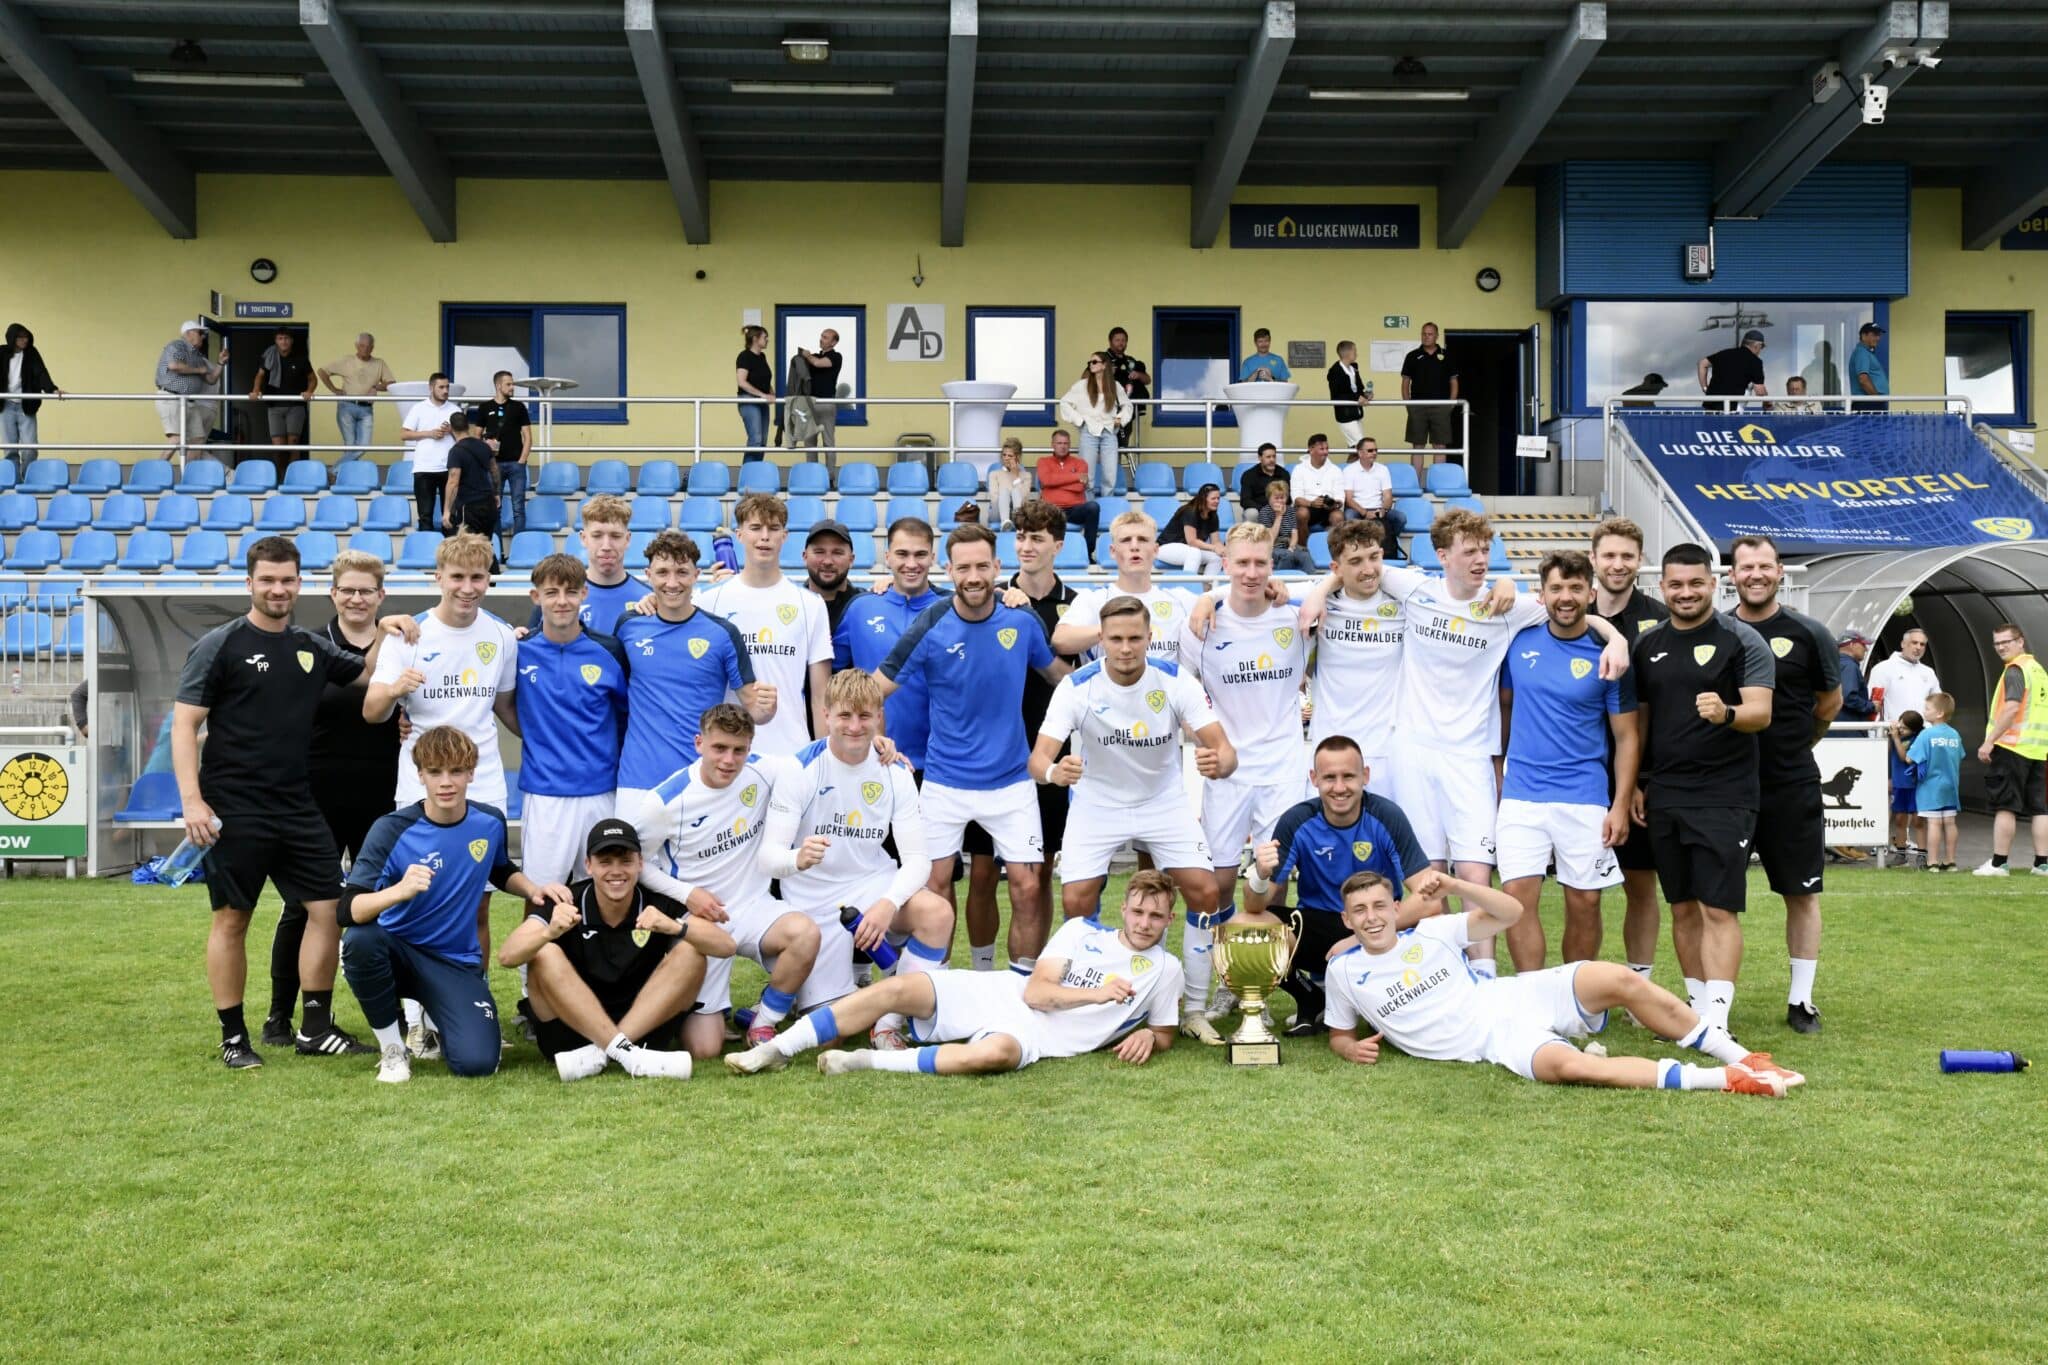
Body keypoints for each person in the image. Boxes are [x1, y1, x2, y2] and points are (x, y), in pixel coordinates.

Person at [1302, 509, 1621, 975]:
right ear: (1442, 555)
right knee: (1427, 874)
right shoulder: (1414, 588)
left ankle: (1485, 975)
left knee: (1474, 871)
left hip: (1471, 755)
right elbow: (1351, 567)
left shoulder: (1507, 605)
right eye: (1469, 551)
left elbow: (1569, 611)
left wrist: (1615, 639)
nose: (1479, 559)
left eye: (1485, 550)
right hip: (1412, 751)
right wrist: (1317, 590)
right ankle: (1445, 971)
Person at [173, 536, 403, 1068]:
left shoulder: (309, 646)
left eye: (287, 580)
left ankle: (315, 1027)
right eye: (268, 580)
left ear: (300, 584)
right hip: (235, 807)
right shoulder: (221, 644)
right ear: (249, 583)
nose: (278, 589)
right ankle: (235, 1037)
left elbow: (366, 672)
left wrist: (394, 633)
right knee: (233, 920)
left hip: (298, 804)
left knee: (329, 910)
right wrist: (193, 802)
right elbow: (185, 724)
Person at [1323, 871, 1804, 1097]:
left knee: (1617, 977)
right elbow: (1340, 1034)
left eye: (1380, 906)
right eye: (1360, 911)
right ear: (1347, 919)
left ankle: (1742, 1057)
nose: (1372, 918)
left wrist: (1456, 887)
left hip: (1516, 993)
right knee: (1571, 1068)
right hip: (1495, 1039)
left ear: (1395, 907)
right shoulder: (1343, 972)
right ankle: (1727, 1080)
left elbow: (1510, 913)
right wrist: (1349, 1050)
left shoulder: (1431, 931)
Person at [725, 872, 1184, 1078]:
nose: (1144, 923)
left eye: (1156, 917)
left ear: (1170, 920)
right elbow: (1038, 992)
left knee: (994, 1055)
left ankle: (865, 1062)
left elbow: (1163, 1031)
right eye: (1138, 911)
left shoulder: (1166, 969)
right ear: (1122, 908)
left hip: (1038, 1040)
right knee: (897, 989)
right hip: (1003, 995)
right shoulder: (1080, 929)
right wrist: (1097, 994)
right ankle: (775, 1050)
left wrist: (1152, 1038)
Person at [878, 525, 1070, 972]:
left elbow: (1058, 675)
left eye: (982, 565)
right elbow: (874, 688)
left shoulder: (1022, 620)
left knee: (1026, 884)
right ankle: (936, 987)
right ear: (950, 570)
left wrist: (1115, 681)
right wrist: (874, 734)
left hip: (1011, 780)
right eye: (963, 567)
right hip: (944, 783)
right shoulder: (931, 623)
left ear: (997, 568)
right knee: (933, 887)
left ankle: (1021, 989)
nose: (973, 575)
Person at [339, 726, 574, 1083]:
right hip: (395, 952)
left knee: (477, 1063)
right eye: (435, 772)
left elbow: (499, 868)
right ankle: (393, 1050)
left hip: (454, 961)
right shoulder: (391, 829)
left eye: (455, 771)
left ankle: (439, 1013)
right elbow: (347, 909)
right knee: (360, 940)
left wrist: (534, 891)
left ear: (471, 773)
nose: (446, 782)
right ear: (420, 776)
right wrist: (399, 891)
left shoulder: (489, 821)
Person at [363, 532, 521, 1053]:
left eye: (478, 577)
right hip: (420, 783)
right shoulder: (408, 634)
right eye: (458, 577)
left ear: (488, 579)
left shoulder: (501, 636)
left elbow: (504, 707)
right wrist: (394, 691)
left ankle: (467, 1000)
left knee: (475, 905)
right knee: (416, 897)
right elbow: (373, 711)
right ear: (439, 578)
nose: (468, 588)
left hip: (484, 784)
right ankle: (415, 1019)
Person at [759, 670, 956, 1044]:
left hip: (871, 885)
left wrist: (887, 904)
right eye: (845, 716)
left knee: (937, 912)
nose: (854, 726)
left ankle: (889, 1024)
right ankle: (812, 989)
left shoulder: (894, 771)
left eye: (865, 716)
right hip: (813, 903)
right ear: (826, 714)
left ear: (879, 717)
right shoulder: (799, 769)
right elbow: (769, 857)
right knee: (834, 1034)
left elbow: (917, 859)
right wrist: (797, 859)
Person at [1628, 543, 1775, 1031]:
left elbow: (1761, 712)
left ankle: (1718, 1015)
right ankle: (1696, 1009)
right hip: (1667, 793)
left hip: (1725, 795)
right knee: (1683, 906)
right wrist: (1637, 784)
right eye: (1676, 584)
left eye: (1696, 583)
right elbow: (1641, 727)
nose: (1686, 592)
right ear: (1662, 587)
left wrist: (1727, 713)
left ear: (1714, 584)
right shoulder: (1648, 646)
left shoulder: (1742, 640)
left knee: (1718, 906)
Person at [264, 549, 404, 1049]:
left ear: (381, 595)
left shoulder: (401, 645)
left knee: (380, 905)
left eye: (367, 590)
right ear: (332, 594)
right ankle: (282, 1017)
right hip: (316, 794)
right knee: (304, 908)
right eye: (347, 589)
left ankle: (394, 1013)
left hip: (381, 795)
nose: (357, 598)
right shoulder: (309, 645)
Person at [1030, 594, 1233, 935]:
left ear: (1150, 638)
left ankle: (1196, 991)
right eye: (1116, 639)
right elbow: (1037, 761)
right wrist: (1054, 772)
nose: (1126, 648)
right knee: (1076, 900)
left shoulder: (1175, 680)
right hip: (1097, 804)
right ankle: (1088, 982)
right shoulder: (1076, 686)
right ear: (1101, 639)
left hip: (1162, 802)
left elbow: (1226, 751)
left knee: (1206, 891)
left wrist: (1219, 764)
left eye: (1135, 638)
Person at [628, 704, 823, 1055]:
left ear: (750, 748)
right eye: (719, 748)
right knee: (704, 1049)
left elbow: (821, 750)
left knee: (805, 934)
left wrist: (880, 746)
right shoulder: (664, 802)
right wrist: (687, 894)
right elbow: (635, 864)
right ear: (699, 743)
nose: (729, 760)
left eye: (739, 750)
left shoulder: (763, 770)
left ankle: (762, 1020)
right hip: (701, 922)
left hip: (752, 908)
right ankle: (691, 1007)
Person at [1177, 523, 1309, 1031]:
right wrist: (1203, 745)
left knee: (1270, 880)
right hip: (1227, 770)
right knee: (1218, 885)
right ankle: (1216, 982)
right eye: (1243, 563)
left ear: (1272, 567)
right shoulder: (1202, 626)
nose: (1252, 572)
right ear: (1225, 563)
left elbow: (1343, 582)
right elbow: (1184, 697)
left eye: (1261, 563)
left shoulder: (1295, 616)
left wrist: (1298, 591)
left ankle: (1251, 985)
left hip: (1282, 768)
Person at [498, 818, 734, 1081]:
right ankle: (626, 1054)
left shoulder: (656, 903)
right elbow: (507, 956)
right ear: (588, 865)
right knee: (544, 952)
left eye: (625, 861)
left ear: (640, 864)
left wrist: (673, 926)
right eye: (605, 862)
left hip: (642, 1027)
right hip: (571, 1032)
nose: (616, 871)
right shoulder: (567, 901)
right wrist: (549, 933)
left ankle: (606, 1052)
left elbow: (726, 946)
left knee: (691, 951)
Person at [1496, 551, 1640, 973]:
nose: (1566, 597)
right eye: (1556, 588)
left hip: (1584, 795)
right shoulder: (1518, 642)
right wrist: (1498, 772)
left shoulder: (1610, 655)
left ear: (1591, 594)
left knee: (1585, 901)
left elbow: (1627, 735)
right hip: (1522, 794)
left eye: (1576, 588)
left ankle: (1574, 996)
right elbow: (1504, 711)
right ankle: (1533, 994)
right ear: (1541, 595)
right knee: (1517, 897)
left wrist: (1619, 804)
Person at [961, 499, 1082, 973]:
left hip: (1050, 750)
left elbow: (1071, 675)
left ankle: (1027, 971)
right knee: (984, 872)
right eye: (1021, 537)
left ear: (1058, 544)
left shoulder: (1077, 606)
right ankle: (983, 972)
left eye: (1037, 537)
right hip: (992, 753)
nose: (1027, 546)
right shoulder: (992, 594)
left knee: (1039, 872)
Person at [1729, 534, 1842, 1034]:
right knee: (1715, 899)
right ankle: (1713, 1004)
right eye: (1745, 566)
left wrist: (1796, 746)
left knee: (1801, 893)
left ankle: (1802, 1002)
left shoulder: (1808, 632)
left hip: (1790, 784)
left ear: (1780, 572)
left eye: (1764, 566)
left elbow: (1829, 703)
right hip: (1725, 786)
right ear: (1730, 575)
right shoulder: (1717, 630)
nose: (1755, 574)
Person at [1244, 736, 1430, 1035]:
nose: (1340, 787)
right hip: (1321, 925)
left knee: (1431, 919)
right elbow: (1256, 908)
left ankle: (1375, 994)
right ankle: (1311, 997)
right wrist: (1260, 875)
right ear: (1314, 779)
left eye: (1349, 776)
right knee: (1248, 926)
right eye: (1329, 777)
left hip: (1376, 924)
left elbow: (1431, 898)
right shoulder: (1298, 820)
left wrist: (1360, 937)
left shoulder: (1386, 816)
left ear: (1365, 776)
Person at [612, 530, 764, 815]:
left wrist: (768, 707)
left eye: (682, 572)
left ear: (696, 575)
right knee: (632, 861)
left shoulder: (723, 633)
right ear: (648, 575)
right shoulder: (629, 625)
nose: (672, 582)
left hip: (699, 781)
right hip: (637, 783)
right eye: (662, 572)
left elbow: (754, 707)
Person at [1588, 518, 1679, 966]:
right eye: (1609, 555)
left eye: (1627, 556)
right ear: (1593, 560)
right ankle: (1577, 988)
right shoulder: (1567, 612)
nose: (1618, 564)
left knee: (1640, 885)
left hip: (1638, 777)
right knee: (1580, 893)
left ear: (1639, 561)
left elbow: (1661, 709)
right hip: (1576, 775)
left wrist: (1640, 779)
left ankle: (1638, 985)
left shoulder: (1660, 619)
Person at [514, 554, 629, 888]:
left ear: (584, 594)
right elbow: (500, 702)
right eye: (551, 592)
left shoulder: (611, 651)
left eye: (571, 591)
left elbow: (625, 716)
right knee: (540, 897)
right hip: (545, 792)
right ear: (536, 597)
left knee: (604, 893)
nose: (561, 601)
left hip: (601, 791)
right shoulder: (518, 650)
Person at [698, 493, 833, 754]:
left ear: (785, 535)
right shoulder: (708, 600)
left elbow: (820, 698)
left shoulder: (811, 605)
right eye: (755, 528)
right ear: (739, 535)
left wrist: (822, 759)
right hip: (729, 755)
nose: (765, 536)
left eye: (773, 528)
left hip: (791, 752)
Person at [833, 517, 947, 774]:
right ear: (887, 557)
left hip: (940, 765)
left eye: (920, 554)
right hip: (872, 758)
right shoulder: (861, 608)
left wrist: (1008, 593)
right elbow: (833, 678)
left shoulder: (953, 610)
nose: (911, 564)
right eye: (902, 554)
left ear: (932, 556)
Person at [1303, 520, 1405, 778]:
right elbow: (1263, 590)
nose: (1368, 569)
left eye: (1374, 557)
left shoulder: (1406, 603)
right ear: (1336, 568)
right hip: (1332, 745)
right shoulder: (1316, 602)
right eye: (1356, 561)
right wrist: (1208, 597)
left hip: (1389, 748)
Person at [1052, 511, 1196, 664]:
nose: (1134, 546)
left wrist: (1210, 598)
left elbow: (1223, 607)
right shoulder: (1093, 599)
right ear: (1113, 551)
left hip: (1166, 687)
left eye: (1142, 539)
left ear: (1155, 551)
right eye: (1126, 540)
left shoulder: (1181, 599)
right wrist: (1114, 629)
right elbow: (1060, 641)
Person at [1973, 622, 2048, 876]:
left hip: (2013, 747)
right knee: (2040, 808)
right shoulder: (2038, 670)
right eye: (1997, 643)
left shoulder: (2015, 670)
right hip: (2038, 749)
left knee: (2005, 806)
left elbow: (2012, 708)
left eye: (2006, 641)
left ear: (2020, 641)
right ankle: (2042, 864)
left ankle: (1998, 863)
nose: (2001, 647)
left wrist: (1990, 740)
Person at [521, 494, 647, 637]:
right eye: (597, 535)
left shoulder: (646, 598)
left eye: (615, 536)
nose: (606, 546)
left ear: (628, 539)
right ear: (583, 538)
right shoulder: (558, 597)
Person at [1058, 352, 1134, 499]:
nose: (1091, 365)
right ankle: (1089, 507)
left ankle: (1107, 507)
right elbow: (1064, 402)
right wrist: (1080, 421)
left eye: (1094, 362)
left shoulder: (1115, 386)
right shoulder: (1082, 385)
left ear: (1104, 365)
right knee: (1087, 474)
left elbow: (1127, 406)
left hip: (1109, 431)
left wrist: (1120, 419)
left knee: (1110, 475)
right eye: (1090, 362)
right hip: (1089, 431)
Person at [473, 370, 531, 545]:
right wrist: (485, 450)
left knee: (518, 508)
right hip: (493, 465)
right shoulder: (484, 408)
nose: (512, 387)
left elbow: (527, 436)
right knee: (494, 508)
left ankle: (519, 549)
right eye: (508, 384)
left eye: (512, 383)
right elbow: (476, 436)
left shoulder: (519, 407)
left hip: (516, 464)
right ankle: (497, 550)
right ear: (498, 385)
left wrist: (522, 461)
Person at [315, 331, 392, 463]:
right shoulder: (347, 360)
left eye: (368, 346)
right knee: (350, 445)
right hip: (347, 406)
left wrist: (375, 387)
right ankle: (345, 477)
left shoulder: (379, 363)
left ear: (373, 347)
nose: (365, 349)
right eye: (362, 346)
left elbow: (391, 384)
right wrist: (334, 390)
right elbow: (322, 371)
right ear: (356, 346)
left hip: (367, 409)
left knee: (363, 446)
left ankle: (334, 472)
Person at [1908, 692, 1964, 873]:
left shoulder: (1926, 735)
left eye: (1928, 708)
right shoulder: (1955, 734)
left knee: (1933, 823)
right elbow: (1960, 756)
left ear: (1939, 713)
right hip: (1951, 785)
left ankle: (1932, 862)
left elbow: (1910, 758)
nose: (1924, 711)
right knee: (1950, 822)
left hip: (1930, 787)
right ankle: (1950, 861)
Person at [249, 327, 316, 473]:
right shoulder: (269, 355)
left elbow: (312, 379)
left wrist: (309, 392)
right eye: (280, 338)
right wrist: (255, 390)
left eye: (286, 338)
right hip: (274, 406)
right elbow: (260, 375)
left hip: (295, 406)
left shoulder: (301, 358)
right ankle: (281, 477)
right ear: (276, 341)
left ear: (291, 341)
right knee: (278, 447)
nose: (283, 341)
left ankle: (294, 477)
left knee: (293, 443)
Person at [400, 372, 461, 532]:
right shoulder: (419, 408)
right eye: (441, 387)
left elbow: (464, 438)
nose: (445, 391)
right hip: (424, 468)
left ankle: (451, 556)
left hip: (450, 469)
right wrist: (429, 433)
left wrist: (452, 431)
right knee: (425, 516)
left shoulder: (455, 409)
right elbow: (404, 434)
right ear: (431, 388)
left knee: (450, 517)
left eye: (447, 387)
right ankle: (425, 554)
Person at [3, 322, 62, 479]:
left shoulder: (31, 353)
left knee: (30, 448)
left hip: (26, 404)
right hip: (5, 406)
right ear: (12, 338)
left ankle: (27, 478)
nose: (25, 340)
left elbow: (41, 373)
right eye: (21, 337)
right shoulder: (1, 352)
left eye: (26, 337)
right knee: (10, 449)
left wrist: (52, 389)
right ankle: (14, 482)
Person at [155, 320, 220, 460]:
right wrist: (198, 370)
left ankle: (189, 478)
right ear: (189, 333)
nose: (203, 337)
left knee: (198, 440)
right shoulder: (178, 345)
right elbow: (174, 365)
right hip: (172, 397)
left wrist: (221, 363)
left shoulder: (196, 355)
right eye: (200, 333)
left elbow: (211, 379)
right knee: (176, 439)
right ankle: (155, 474)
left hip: (189, 401)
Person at [1035, 428, 1101, 559]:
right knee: (1038, 513)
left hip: (1074, 509)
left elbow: (1079, 487)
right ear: (1052, 445)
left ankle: (1087, 553)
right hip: (1052, 509)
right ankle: (1044, 556)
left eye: (1066, 443)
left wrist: (1056, 483)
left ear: (1069, 445)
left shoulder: (1080, 463)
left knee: (1093, 507)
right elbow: (1047, 480)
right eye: (1059, 443)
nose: (1063, 446)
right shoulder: (1043, 461)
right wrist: (1075, 476)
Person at [1399, 323, 1459, 464]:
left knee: (1440, 446)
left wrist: (1450, 404)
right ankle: (1415, 485)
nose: (1426, 337)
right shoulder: (1412, 356)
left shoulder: (1447, 356)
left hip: (1441, 407)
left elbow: (1454, 382)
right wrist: (1409, 405)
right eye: (1424, 334)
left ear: (1437, 336)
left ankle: (1438, 484)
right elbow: (1405, 382)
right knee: (1417, 446)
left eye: (1430, 334)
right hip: (1417, 407)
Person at [440, 413, 499, 553]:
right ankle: (493, 573)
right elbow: (495, 471)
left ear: (452, 429)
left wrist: (447, 510)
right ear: (468, 425)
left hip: (470, 506)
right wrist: (496, 493)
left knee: (470, 550)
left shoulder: (456, 451)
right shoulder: (484, 446)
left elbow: (453, 481)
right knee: (486, 547)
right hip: (488, 503)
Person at [1341, 436, 1405, 547]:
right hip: (1357, 509)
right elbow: (1349, 499)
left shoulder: (1383, 469)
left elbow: (1388, 496)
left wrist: (1383, 510)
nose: (1374, 453)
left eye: (1376, 450)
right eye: (1370, 450)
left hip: (1378, 508)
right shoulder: (1349, 470)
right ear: (1360, 453)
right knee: (1349, 516)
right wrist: (1364, 513)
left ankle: (1389, 541)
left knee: (1400, 518)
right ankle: (1355, 546)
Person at [1868, 627, 1940, 726]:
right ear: (1903, 644)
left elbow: (1938, 702)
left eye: (1922, 644)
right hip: (1895, 730)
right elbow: (1874, 703)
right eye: (1914, 643)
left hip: (1923, 732)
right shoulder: (1883, 668)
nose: (1918, 647)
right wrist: (1875, 734)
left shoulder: (1928, 672)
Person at [1156, 482, 1226, 576]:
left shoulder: (1213, 515)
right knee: (1194, 552)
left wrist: (1222, 549)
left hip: (1188, 550)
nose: (1217, 501)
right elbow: (1192, 541)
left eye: (1218, 498)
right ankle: (1188, 586)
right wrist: (1214, 548)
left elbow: (1215, 541)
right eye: (1213, 498)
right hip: (1165, 547)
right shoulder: (1190, 511)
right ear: (1203, 499)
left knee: (1217, 558)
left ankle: (1207, 586)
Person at [801, 519, 859, 635]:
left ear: (851, 560)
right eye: (819, 552)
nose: (827, 561)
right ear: (805, 557)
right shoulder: (790, 605)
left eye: (837, 553)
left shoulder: (864, 606)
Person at [793, 328, 842, 455]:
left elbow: (818, 363)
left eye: (825, 337)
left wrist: (807, 355)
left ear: (834, 342)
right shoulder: (814, 356)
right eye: (821, 336)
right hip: (809, 403)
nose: (821, 339)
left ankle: (830, 474)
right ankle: (811, 473)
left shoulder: (836, 357)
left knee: (828, 442)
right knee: (809, 443)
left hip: (826, 403)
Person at [734, 324, 776, 463]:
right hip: (749, 400)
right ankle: (747, 477)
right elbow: (742, 382)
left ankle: (756, 474)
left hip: (762, 402)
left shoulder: (762, 357)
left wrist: (771, 392)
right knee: (755, 439)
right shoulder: (744, 356)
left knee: (762, 441)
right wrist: (762, 395)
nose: (767, 340)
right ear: (755, 339)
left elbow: (763, 379)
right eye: (765, 337)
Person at [1290, 434, 1347, 536]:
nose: (1325, 452)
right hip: (1307, 506)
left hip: (1329, 509)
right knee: (1302, 513)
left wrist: (1335, 503)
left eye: (1327, 449)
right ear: (1311, 450)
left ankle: (1335, 549)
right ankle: (1303, 548)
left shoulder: (1336, 470)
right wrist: (1312, 503)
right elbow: (1296, 498)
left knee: (1338, 516)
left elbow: (1340, 496)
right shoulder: (1299, 469)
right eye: (1321, 449)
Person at [1252, 478, 1315, 572]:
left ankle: (1313, 581)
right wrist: (1279, 516)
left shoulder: (1291, 511)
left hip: (1289, 545)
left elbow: (1294, 534)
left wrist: (1291, 547)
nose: (1280, 501)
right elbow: (1271, 538)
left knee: (1305, 555)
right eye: (1276, 498)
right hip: (1272, 547)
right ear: (1269, 498)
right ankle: (1281, 579)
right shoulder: (1264, 512)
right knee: (1287, 556)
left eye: (1282, 497)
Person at [1888, 710, 1925, 864]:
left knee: (1918, 820)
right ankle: (1901, 854)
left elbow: (1905, 758)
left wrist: (1896, 738)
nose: (1900, 730)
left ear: (1914, 729)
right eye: (1900, 725)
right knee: (1900, 819)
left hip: (1914, 785)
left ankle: (1922, 854)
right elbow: (1887, 755)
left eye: (1904, 728)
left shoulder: (1918, 739)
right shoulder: (1894, 737)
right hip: (1899, 784)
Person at [1699, 329, 1768, 409]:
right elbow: (1760, 391)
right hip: (1732, 410)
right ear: (1756, 346)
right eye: (1761, 347)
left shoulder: (1724, 354)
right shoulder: (1755, 362)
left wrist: (1705, 387)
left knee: (1711, 421)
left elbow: (1702, 363)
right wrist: (1768, 402)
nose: (1760, 350)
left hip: (1711, 406)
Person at [1106, 327, 1150, 452]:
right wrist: (1106, 372)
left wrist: (1138, 375)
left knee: (1121, 442)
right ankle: (1103, 470)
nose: (1121, 343)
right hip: (1106, 409)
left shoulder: (1130, 361)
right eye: (1117, 340)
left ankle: (1117, 469)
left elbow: (1147, 380)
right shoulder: (1102, 359)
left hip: (1124, 410)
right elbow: (1085, 378)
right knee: (1106, 442)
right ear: (1110, 341)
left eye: (1123, 340)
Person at [1327, 340, 1369, 449]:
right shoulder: (1335, 371)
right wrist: (1356, 397)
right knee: (1360, 446)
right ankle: (1353, 465)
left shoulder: (1354, 368)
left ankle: (1352, 465)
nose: (1357, 354)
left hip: (1356, 412)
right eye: (1355, 351)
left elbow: (1358, 389)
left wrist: (1365, 395)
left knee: (1355, 447)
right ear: (1347, 353)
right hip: (1345, 414)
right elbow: (1336, 396)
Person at [988, 438, 1029, 530]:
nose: (1006, 458)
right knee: (1004, 492)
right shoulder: (994, 474)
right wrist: (1006, 497)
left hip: (1019, 512)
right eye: (1004, 455)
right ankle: (1005, 522)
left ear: (1017, 457)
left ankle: (1017, 520)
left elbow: (1024, 499)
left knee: (1015, 492)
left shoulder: (1026, 475)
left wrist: (1015, 475)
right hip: (997, 512)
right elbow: (994, 499)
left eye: (1010, 456)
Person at [1836, 631, 1875, 723]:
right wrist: (1871, 706)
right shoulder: (1849, 666)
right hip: (1847, 728)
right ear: (1852, 644)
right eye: (1863, 644)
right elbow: (1848, 697)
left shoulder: (1832, 663)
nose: (1866, 649)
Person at [1849, 321, 1888, 412]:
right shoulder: (1862, 352)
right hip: (1868, 403)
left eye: (1879, 335)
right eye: (1874, 335)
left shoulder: (1866, 353)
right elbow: (1863, 379)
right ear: (1863, 336)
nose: (1878, 338)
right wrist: (1877, 399)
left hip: (1870, 402)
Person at [1237, 443, 1287, 514]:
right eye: (1268, 457)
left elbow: (1288, 498)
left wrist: (1277, 506)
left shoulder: (1283, 473)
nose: (1272, 460)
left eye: (1274, 456)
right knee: (1251, 513)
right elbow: (1245, 500)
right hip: (1258, 509)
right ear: (1260, 458)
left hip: (1279, 508)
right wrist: (1264, 510)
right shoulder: (1249, 475)